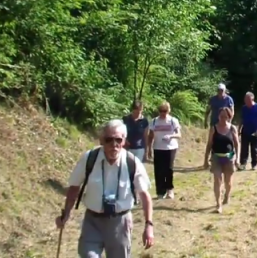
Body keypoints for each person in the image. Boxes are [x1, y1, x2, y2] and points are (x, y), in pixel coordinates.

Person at [55, 119, 154, 258]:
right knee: (88, 255)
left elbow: (145, 196)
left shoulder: (132, 163)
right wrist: (66, 214)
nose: (114, 144)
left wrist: (148, 225)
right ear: (101, 140)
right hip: (92, 221)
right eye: (109, 140)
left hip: (120, 223)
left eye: (118, 140)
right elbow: (74, 188)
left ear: (124, 141)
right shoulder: (89, 159)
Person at [203, 107, 240, 214]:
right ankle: (218, 204)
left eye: (225, 116)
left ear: (229, 117)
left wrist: (237, 158)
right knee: (217, 180)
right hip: (216, 157)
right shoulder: (214, 128)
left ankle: (227, 195)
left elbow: (237, 144)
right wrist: (205, 159)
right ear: (218, 116)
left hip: (229, 157)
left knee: (228, 182)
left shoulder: (232, 128)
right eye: (221, 116)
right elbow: (209, 144)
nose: (222, 118)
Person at [148, 101, 182, 200]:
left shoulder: (173, 121)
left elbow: (179, 135)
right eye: (161, 111)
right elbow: (150, 136)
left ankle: (169, 189)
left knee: (169, 169)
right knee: (159, 170)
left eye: (165, 111)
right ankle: (160, 191)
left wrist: (171, 136)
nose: (163, 113)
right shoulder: (154, 121)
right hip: (158, 147)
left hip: (170, 147)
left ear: (169, 110)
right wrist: (149, 149)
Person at [238, 92, 257, 171]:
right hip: (245, 131)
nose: (246, 101)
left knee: (254, 149)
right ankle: (243, 164)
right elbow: (241, 120)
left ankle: (254, 164)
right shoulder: (244, 108)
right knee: (244, 149)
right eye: (245, 99)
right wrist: (239, 129)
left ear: (252, 99)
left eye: (247, 99)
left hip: (255, 131)